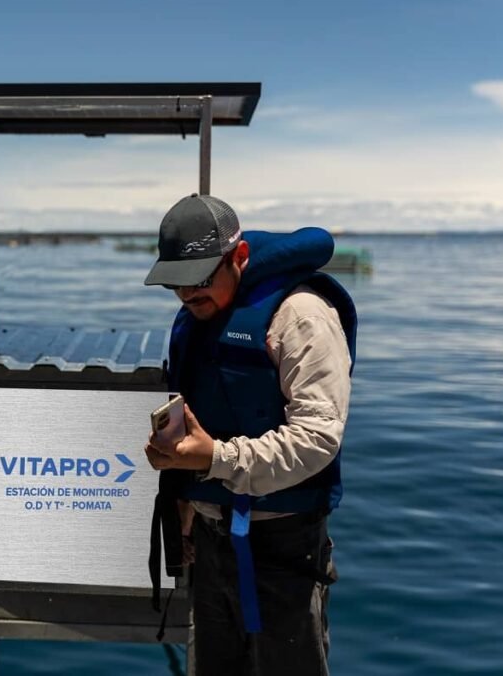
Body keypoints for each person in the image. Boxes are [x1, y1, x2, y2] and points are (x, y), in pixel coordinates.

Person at [143, 194, 356, 676]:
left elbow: (319, 437)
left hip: (283, 544)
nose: (186, 295)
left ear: (238, 257)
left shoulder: (300, 315)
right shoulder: (198, 316)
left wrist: (214, 457)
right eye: (175, 283)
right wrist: (184, 494)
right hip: (211, 536)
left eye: (198, 279)